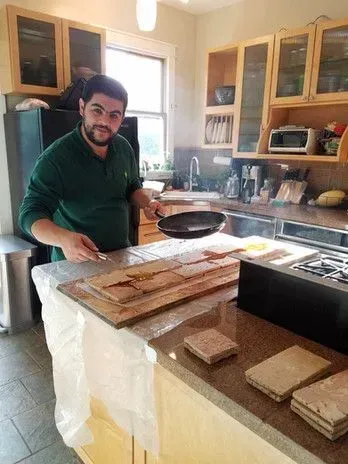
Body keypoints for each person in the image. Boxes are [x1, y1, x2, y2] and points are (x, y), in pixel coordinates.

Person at [19, 74, 166, 263]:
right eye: (97, 110)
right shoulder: (56, 158)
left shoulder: (123, 148)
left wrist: (147, 202)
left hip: (120, 258)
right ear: (82, 107)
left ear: (122, 118)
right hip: (75, 265)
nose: (104, 121)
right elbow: (30, 213)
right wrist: (63, 239)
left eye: (114, 115)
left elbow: (131, 187)